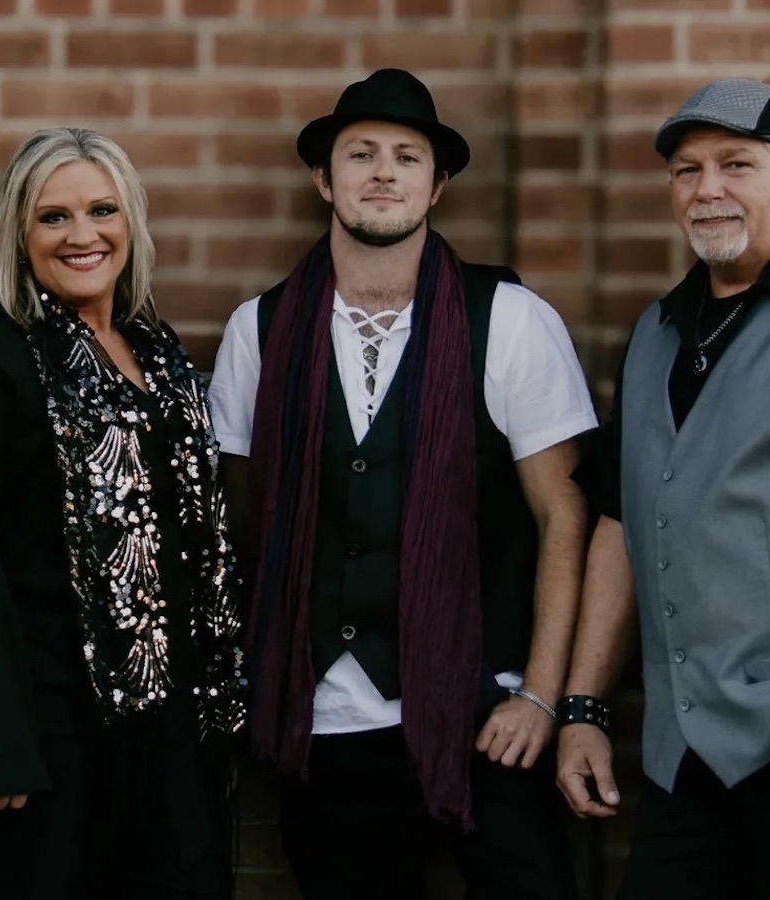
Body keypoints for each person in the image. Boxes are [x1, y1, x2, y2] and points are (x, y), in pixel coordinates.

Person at [207, 68, 595, 899]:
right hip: (324, 727)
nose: (383, 172)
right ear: (325, 178)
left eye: (407, 157)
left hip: (484, 716)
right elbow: (241, 521)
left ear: (436, 184)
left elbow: (564, 516)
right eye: (361, 154)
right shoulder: (260, 329)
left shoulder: (511, 319)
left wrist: (540, 696)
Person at [0, 126, 247, 900]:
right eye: (53, 217)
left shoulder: (159, 354)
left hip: (163, 729)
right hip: (42, 737)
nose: (82, 235)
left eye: (102, 210)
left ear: (131, 223)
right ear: (19, 233)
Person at [556, 78, 770, 897]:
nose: (706, 187)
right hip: (688, 762)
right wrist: (583, 707)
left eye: (735, 164)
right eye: (686, 170)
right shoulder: (655, 332)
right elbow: (621, 522)